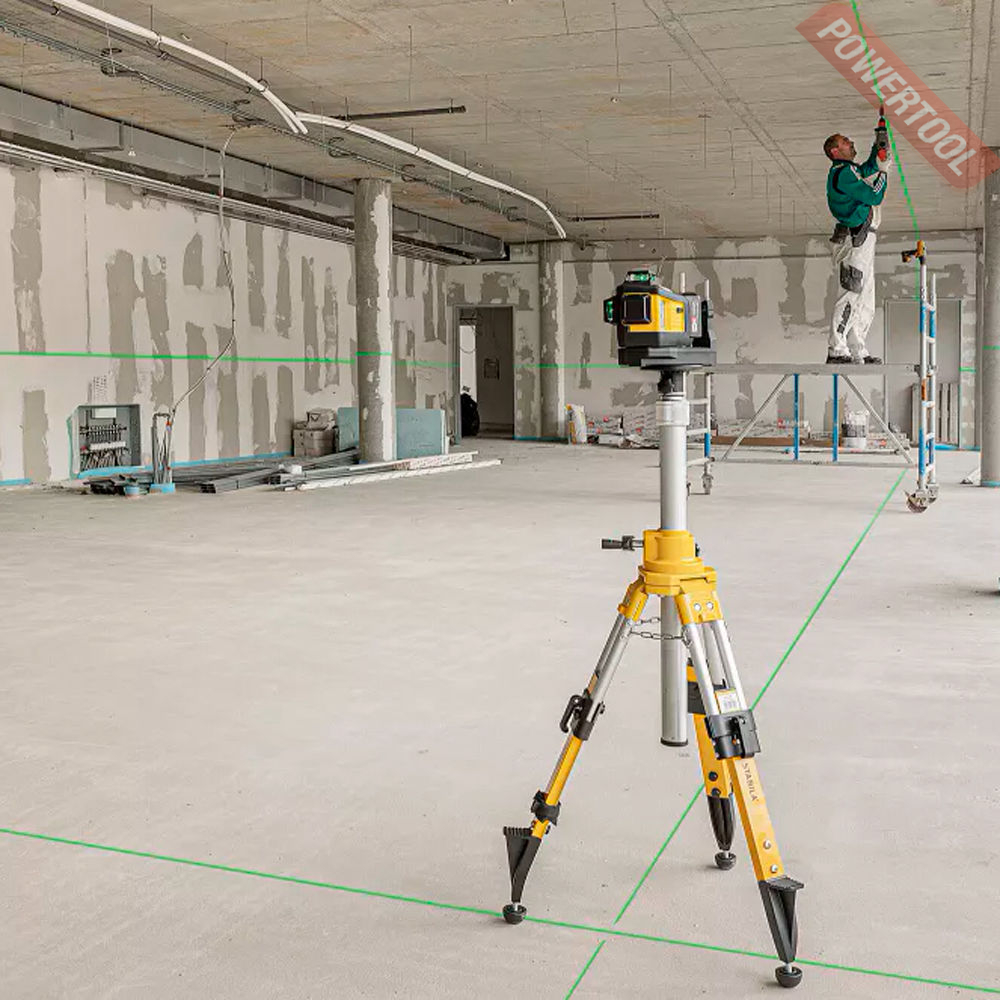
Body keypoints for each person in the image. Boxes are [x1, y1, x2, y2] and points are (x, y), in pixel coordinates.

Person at [823, 123, 891, 364]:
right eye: (845, 141)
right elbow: (874, 195)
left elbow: (867, 168)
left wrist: (879, 145)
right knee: (851, 292)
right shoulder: (843, 172)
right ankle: (836, 349)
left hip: (862, 237)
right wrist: (884, 171)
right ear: (835, 151)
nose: (851, 142)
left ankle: (857, 348)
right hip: (855, 239)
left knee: (864, 296)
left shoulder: (849, 171)